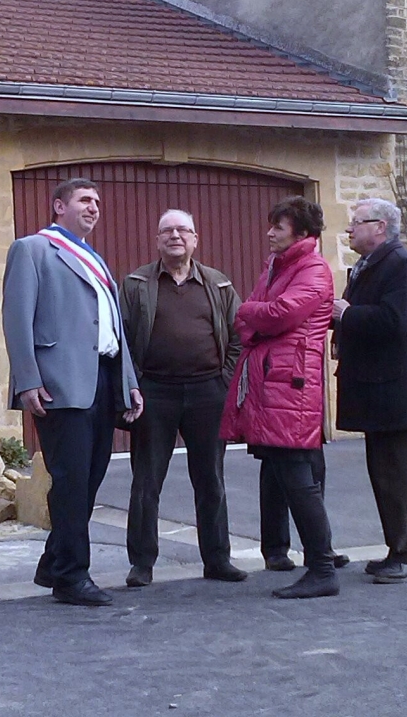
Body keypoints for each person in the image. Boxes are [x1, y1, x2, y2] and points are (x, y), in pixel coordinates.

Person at [2, 178, 143, 607]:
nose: (94, 208)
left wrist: (129, 381)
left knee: (91, 477)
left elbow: (112, 328)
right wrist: (27, 380)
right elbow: (16, 318)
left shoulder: (95, 260)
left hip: (102, 378)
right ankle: (71, 577)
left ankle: (53, 562)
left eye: (98, 201)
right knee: (70, 481)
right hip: (59, 384)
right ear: (58, 206)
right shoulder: (33, 249)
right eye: (85, 200)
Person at [220, 196, 339, 600]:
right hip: (272, 381)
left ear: (302, 233)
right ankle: (309, 560)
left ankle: (322, 567)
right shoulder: (278, 266)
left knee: (298, 476)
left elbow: (279, 314)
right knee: (285, 470)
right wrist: (256, 315)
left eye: (279, 227)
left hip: (291, 385)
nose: (269, 232)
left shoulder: (314, 269)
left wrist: (253, 312)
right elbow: (249, 318)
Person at [120, 209, 246, 587]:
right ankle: (142, 563)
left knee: (211, 479)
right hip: (155, 392)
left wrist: (224, 380)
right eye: (167, 231)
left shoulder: (219, 284)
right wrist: (134, 383)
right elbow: (121, 337)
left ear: (195, 238)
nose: (175, 236)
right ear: (158, 241)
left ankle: (217, 559)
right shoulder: (135, 283)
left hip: (208, 391)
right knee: (146, 480)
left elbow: (239, 333)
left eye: (182, 230)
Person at [332, 197, 407, 584]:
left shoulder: (400, 265)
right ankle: (398, 549)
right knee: (383, 473)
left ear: (381, 228)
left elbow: (394, 320)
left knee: (396, 474)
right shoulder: (369, 265)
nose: (349, 229)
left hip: (393, 391)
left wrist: (347, 314)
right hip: (377, 389)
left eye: (357, 223)